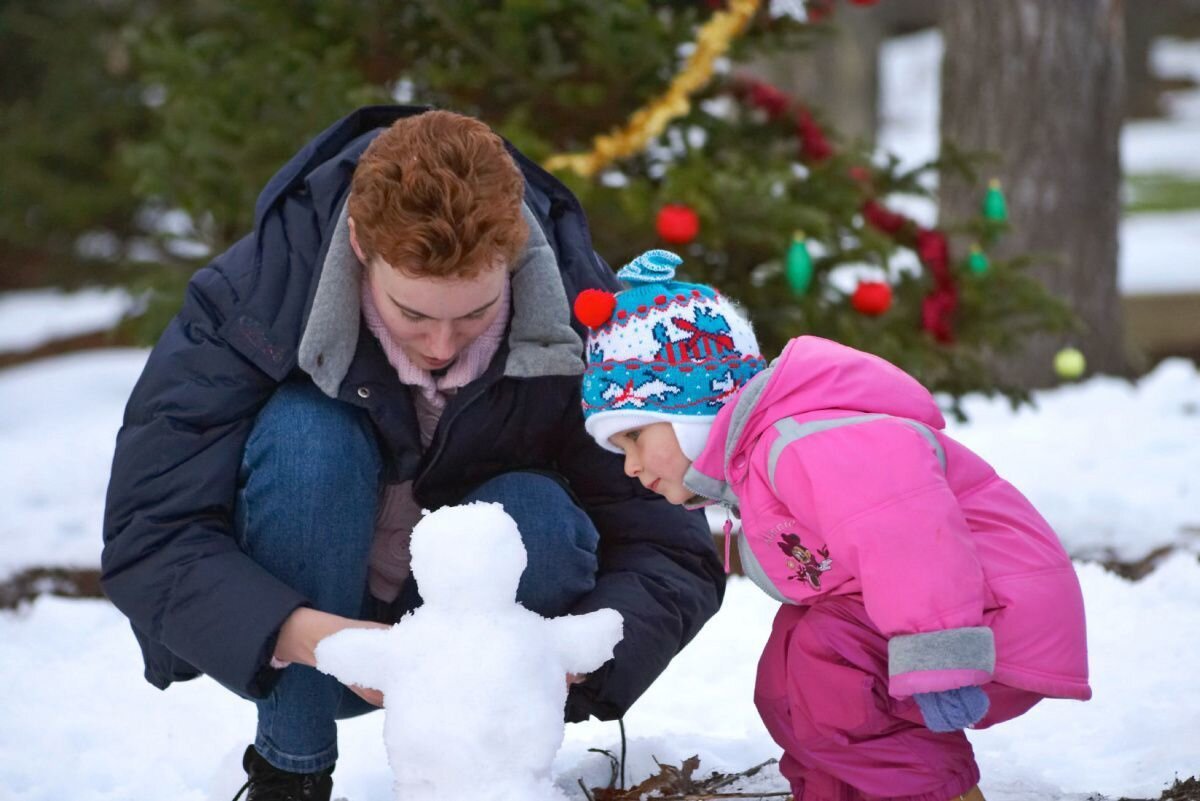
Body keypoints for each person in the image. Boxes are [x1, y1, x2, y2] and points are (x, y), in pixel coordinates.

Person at [101, 109, 723, 801]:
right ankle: (290, 769)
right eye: (415, 314)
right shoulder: (253, 294)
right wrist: (301, 632)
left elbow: (673, 544)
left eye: (475, 313)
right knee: (310, 435)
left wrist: (575, 659)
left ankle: (486, 778)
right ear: (361, 244)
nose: (441, 344)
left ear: (515, 253)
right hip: (311, 630)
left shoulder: (588, 312)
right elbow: (149, 530)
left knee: (534, 512)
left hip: (484, 635)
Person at [574, 249, 1092, 801]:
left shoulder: (804, 442)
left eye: (634, 437)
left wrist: (940, 654)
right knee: (788, 677)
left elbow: (910, 538)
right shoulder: (763, 455)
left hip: (983, 618)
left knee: (826, 660)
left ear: (690, 408)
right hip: (940, 616)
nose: (628, 465)